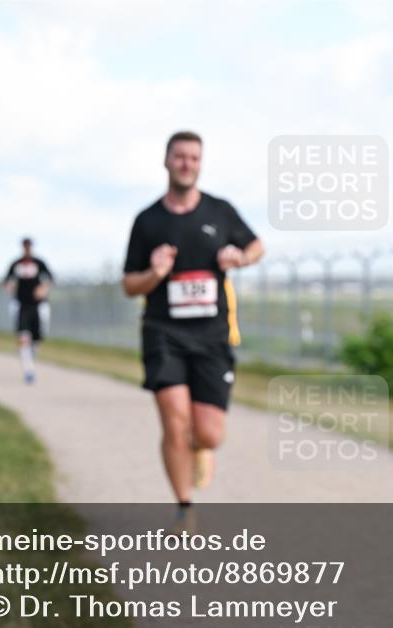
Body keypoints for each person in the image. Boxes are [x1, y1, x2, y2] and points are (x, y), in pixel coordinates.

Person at [122, 131, 264, 529]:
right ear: (166, 161)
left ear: (200, 164)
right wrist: (155, 273)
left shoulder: (219, 212)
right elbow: (129, 285)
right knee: (175, 419)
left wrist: (240, 257)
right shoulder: (148, 221)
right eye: (180, 156)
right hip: (163, 333)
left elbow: (257, 246)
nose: (186, 163)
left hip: (212, 336)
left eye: (194, 158)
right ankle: (184, 506)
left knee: (209, 433)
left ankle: (202, 449)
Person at [4, 238, 53, 384]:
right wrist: (10, 287)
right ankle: (29, 370)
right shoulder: (16, 263)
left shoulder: (39, 263)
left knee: (36, 339)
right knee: (23, 337)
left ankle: (31, 354)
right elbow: (7, 280)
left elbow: (50, 278)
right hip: (22, 305)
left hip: (38, 305)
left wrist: (43, 288)